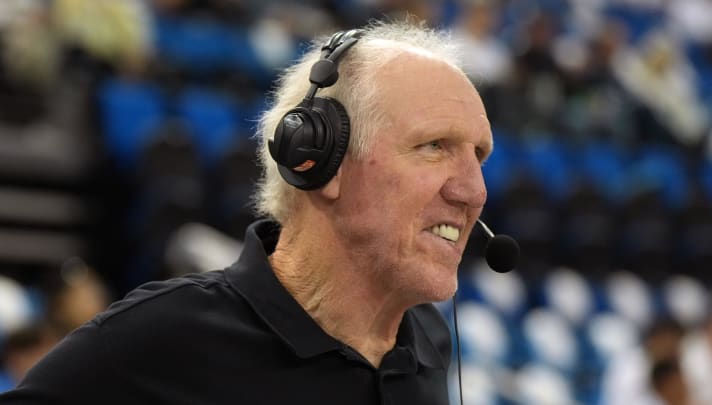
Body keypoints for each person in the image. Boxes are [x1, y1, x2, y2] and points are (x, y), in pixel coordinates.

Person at [0, 19, 492, 404]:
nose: (474, 191)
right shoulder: (159, 339)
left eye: (479, 156)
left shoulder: (428, 338)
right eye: (434, 146)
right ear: (319, 160)